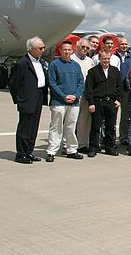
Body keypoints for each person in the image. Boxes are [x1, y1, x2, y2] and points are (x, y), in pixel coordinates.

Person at [9, 36, 48, 164]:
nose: (43, 50)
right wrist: (19, 100)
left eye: (43, 47)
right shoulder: (22, 63)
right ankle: (21, 154)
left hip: (39, 96)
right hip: (27, 98)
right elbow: (13, 84)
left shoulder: (40, 62)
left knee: (34, 127)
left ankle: (29, 152)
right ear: (31, 49)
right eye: (40, 48)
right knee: (25, 127)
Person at [45, 40, 84, 162]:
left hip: (74, 103)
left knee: (71, 127)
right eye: (64, 49)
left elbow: (80, 83)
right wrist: (63, 96)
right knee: (56, 127)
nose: (67, 52)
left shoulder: (76, 65)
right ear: (60, 51)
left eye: (69, 49)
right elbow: (52, 83)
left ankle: (71, 150)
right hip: (59, 102)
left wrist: (76, 96)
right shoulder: (54, 64)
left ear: (72, 50)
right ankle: (51, 151)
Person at [84, 51, 123, 158]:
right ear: (99, 59)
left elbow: (119, 86)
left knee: (110, 127)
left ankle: (109, 147)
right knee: (96, 127)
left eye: (108, 59)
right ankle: (93, 148)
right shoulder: (93, 71)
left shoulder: (115, 71)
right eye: (104, 59)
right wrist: (91, 103)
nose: (106, 61)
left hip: (111, 102)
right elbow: (89, 88)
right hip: (98, 102)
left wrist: (118, 99)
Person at [70, 38, 95, 153]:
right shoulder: (71, 59)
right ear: (77, 46)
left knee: (84, 121)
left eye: (87, 48)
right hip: (73, 94)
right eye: (83, 47)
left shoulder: (90, 61)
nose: (85, 49)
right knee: (71, 121)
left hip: (86, 95)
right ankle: (68, 145)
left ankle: (82, 144)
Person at [116, 37, 131, 149]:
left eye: (126, 44)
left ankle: (124, 137)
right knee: (112, 115)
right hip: (115, 90)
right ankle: (109, 138)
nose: (124, 46)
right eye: (122, 44)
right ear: (118, 45)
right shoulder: (113, 57)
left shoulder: (130, 58)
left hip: (126, 90)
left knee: (125, 116)